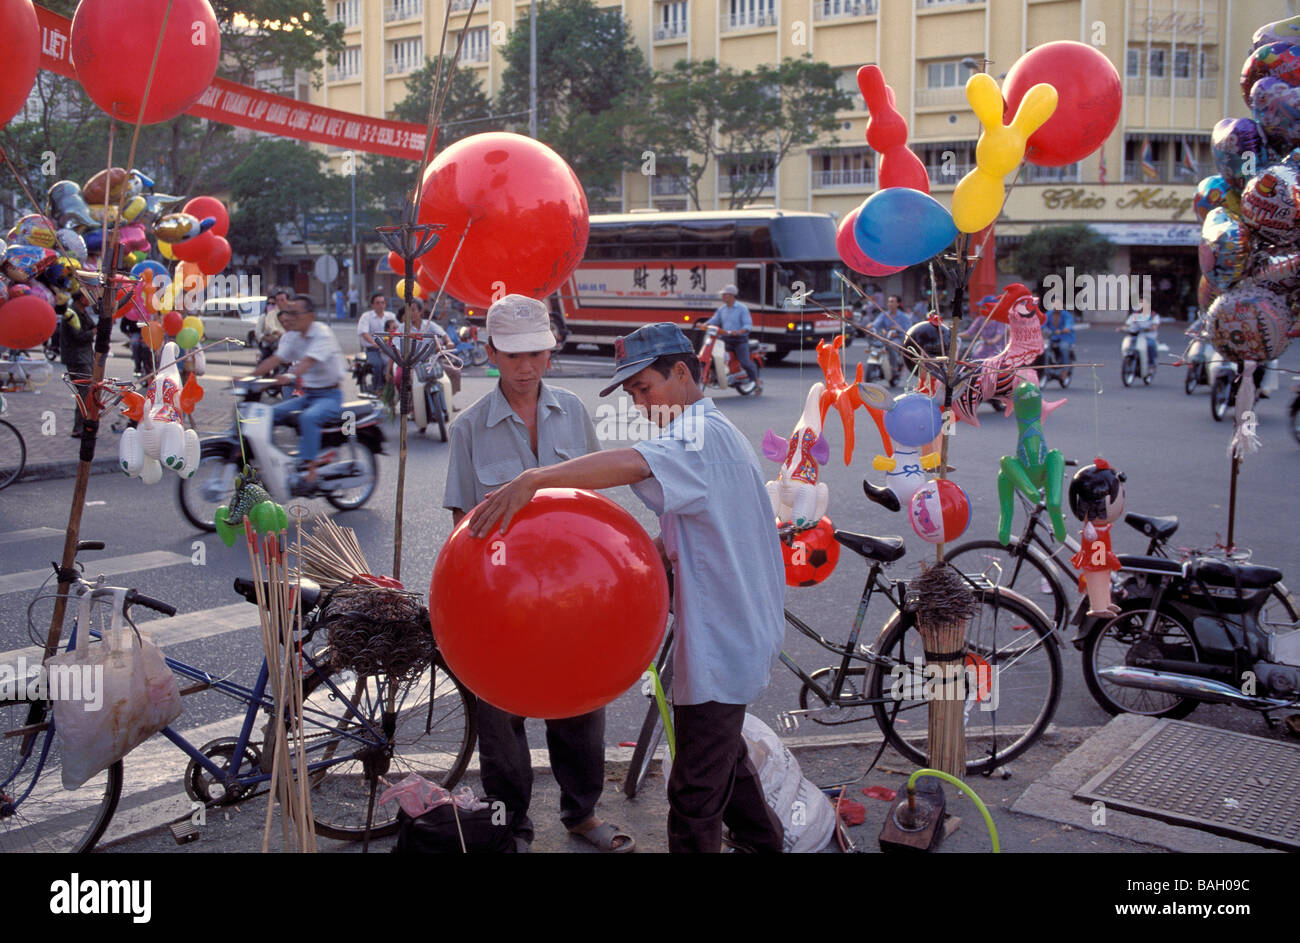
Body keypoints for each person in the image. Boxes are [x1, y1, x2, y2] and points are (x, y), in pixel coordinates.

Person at [467, 321, 786, 854]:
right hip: (732, 632)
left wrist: (534, 480)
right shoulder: (709, 434)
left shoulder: (698, 435)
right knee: (726, 766)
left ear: (681, 373)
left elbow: (631, 464)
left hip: (724, 641)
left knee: (694, 798)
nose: (640, 402)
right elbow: (694, 526)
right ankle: (765, 844)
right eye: (633, 393)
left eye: (644, 387)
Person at [442, 294, 634, 855]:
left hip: (577, 594)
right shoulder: (468, 427)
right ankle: (511, 825)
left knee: (580, 707)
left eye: (537, 353)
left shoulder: (572, 410)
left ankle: (582, 812)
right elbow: (463, 524)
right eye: (513, 355)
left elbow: (597, 496)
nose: (526, 367)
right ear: (490, 354)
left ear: (550, 352)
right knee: (500, 723)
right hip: (502, 599)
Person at [252, 294, 344, 495]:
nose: (290, 318)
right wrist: (250, 376)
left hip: (330, 395)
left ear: (310, 316)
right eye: (289, 313)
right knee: (269, 414)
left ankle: (310, 474)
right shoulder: (292, 336)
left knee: (308, 418)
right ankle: (271, 464)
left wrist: (289, 376)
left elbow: (307, 363)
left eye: (295, 313)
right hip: (309, 396)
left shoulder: (322, 333)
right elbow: (275, 359)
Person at [706, 284, 760, 392]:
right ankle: (719, 375)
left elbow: (747, 325)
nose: (722, 297)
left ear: (731, 295)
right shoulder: (722, 309)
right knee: (712, 356)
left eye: (724, 295)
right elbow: (714, 320)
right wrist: (704, 324)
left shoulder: (742, 308)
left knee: (745, 362)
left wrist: (739, 331)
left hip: (739, 340)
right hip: (726, 339)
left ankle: (756, 381)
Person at [59, 299, 96, 439]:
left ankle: (82, 426)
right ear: (81, 298)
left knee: (85, 393)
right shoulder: (71, 313)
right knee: (84, 393)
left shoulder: (81, 312)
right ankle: (79, 428)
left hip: (84, 357)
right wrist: (94, 331)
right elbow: (80, 336)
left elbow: (90, 326)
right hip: (77, 359)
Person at [872, 295, 913, 377]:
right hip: (885, 337)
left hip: (898, 338)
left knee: (892, 345)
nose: (890, 304)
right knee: (874, 345)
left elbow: (908, 329)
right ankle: (874, 364)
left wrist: (898, 331)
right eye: (889, 301)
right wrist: (871, 326)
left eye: (892, 301)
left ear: (898, 304)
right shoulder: (884, 314)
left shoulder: (904, 317)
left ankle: (894, 367)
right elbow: (876, 324)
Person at [357, 290, 389, 393]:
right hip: (373, 350)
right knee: (378, 364)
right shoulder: (366, 316)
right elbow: (364, 332)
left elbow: (398, 329)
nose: (381, 305)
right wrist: (373, 343)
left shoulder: (390, 316)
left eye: (382, 302)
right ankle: (378, 388)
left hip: (388, 349)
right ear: (372, 305)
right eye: (378, 303)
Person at [260, 287, 288, 361]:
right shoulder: (272, 314)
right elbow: (270, 326)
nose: (280, 302)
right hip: (277, 340)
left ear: (287, 301)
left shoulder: (292, 313)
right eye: (277, 300)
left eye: (282, 300)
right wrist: (278, 332)